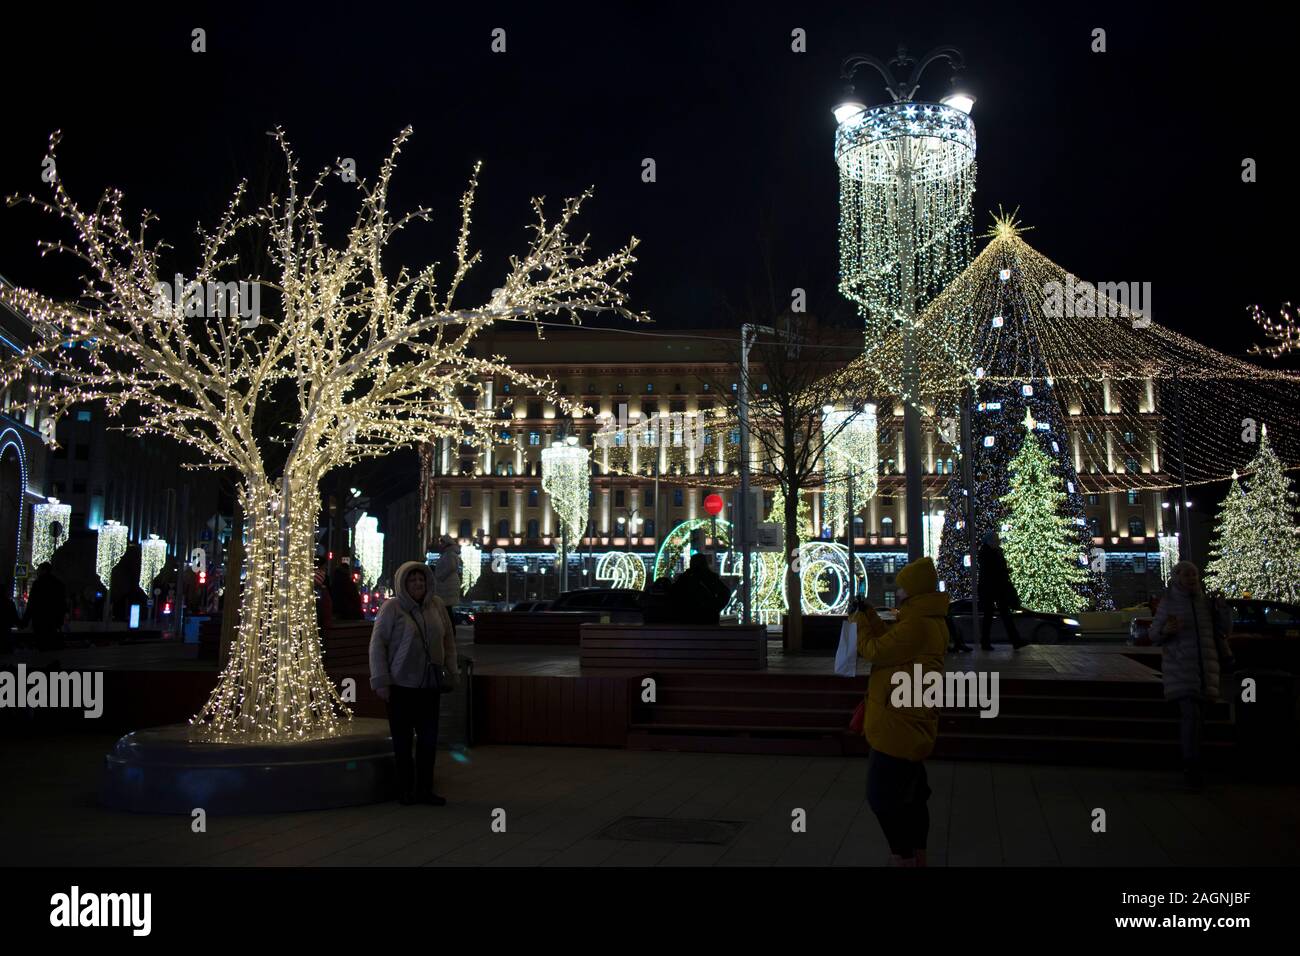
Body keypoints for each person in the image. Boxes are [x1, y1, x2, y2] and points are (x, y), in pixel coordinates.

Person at [848, 556, 949, 866]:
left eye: (904, 587)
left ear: (915, 591)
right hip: (909, 720)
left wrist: (859, 622)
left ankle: (903, 856)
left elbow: (875, 650)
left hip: (898, 725)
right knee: (913, 795)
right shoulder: (926, 620)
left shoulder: (918, 624)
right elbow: (892, 642)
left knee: (880, 797)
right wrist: (870, 615)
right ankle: (917, 856)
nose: (899, 591)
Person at [369, 561, 460, 806]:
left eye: (421, 580)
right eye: (412, 580)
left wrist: (452, 669)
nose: (417, 584)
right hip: (400, 686)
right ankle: (405, 790)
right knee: (403, 742)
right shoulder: (392, 608)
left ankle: (425, 790)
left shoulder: (437, 605)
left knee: (428, 741)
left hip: (429, 686)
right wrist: (381, 681)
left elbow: (448, 639)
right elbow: (377, 645)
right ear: (403, 583)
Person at [1151, 561, 1222, 789]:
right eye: (1187, 574)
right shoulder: (1169, 602)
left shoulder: (1206, 603)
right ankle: (1191, 768)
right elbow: (1154, 634)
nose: (1192, 578)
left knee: (1201, 719)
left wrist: (1224, 611)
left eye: (1195, 574)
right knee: (1191, 716)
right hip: (1181, 668)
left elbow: (1223, 631)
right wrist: (1165, 631)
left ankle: (1199, 765)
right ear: (1177, 578)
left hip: (1205, 670)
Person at [977, 529, 1027, 650]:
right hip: (993, 588)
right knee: (999, 615)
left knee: (996, 615)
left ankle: (1013, 641)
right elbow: (993, 570)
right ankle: (1014, 641)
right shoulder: (988, 553)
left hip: (994, 588)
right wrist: (1005, 571)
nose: (998, 542)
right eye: (996, 540)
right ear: (991, 541)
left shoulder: (991, 551)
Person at [669, 553, 733, 625]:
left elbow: (673, 595)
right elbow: (725, 593)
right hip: (708, 619)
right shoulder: (710, 578)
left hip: (687, 620)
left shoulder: (684, 578)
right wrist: (714, 609)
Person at [22, 563, 68, 652]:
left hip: (40, 620)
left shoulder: (38, 583)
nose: (37, 572)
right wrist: (60, 620)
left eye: (38, 570)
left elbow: (32, 603)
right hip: (53, 621)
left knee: (41, 645)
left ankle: (40, 663)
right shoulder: (59, 584)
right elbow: (62, 604)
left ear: (43, 570)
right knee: (51, 647)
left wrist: (25, 621)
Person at [432, 535, 463, 607]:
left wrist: (440, 577)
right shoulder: (449, 553)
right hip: (447, 583)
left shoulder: (449, 554)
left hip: (448, 584)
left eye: (441, 543)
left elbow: (451, 567)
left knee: (447, 607)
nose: (440, 545)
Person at [329, 556, 363, 621]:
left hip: (337, 614)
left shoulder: (334, 583)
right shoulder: (349, 584)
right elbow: (355, 600)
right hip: (349, 615)